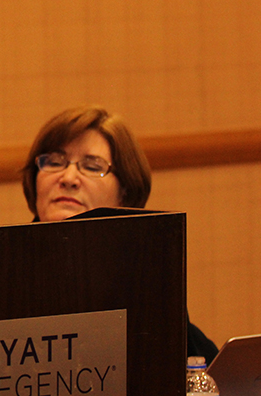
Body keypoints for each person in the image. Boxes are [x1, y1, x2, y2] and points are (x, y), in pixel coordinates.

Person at [19, 105, 218, 363]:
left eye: (92, 166)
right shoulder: (5, 270)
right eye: (54, 162)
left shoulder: (144, 277)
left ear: (124, 192)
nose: (68, 178)